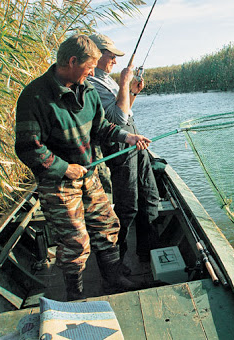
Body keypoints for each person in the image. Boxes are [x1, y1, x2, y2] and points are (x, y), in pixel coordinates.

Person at [14, 34, 151, 301]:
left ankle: (113, 281)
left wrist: (127, 137)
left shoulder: (87, 90)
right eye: (89, 67)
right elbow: (28, 147)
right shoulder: (35, 96)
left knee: (107, 226)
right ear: (72, 61)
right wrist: (64, 168)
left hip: (89, 174)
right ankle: (75, 297)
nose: (92, 72)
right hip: (58, 182)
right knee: (75, 243)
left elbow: (102, 127)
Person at [87, 33, 160, 265]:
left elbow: (126, 111)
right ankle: (117, 262)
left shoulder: (106, 79)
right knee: (127, 206)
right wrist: (123, 84)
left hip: (135, 143)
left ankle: (147, 253)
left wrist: (133, 92)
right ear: (96, 55)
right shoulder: (92, 83)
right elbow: (117, 119)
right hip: (119, 147)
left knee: (150, 196)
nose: (115, 61)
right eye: (111, 56)